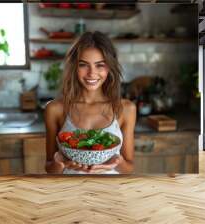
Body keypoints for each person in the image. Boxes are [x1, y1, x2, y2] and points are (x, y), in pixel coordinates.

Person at [44, 31, 136, 174]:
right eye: (83, 65)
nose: (92, 73)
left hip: (110, 193)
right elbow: (50, 168)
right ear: (74, 67)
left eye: (100, 65)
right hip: (69, 192)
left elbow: (128, 168)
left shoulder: (125, 109)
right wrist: (59, 163)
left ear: (110, 67)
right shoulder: (55, 109)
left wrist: (118, 162)